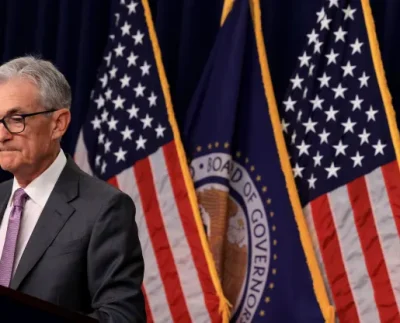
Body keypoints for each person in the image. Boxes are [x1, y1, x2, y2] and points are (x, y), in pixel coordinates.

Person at [0, 56, 146, 322]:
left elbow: (122, 316)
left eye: (16, 118)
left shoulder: (105, 209)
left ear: (58, 123)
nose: (2, 135)